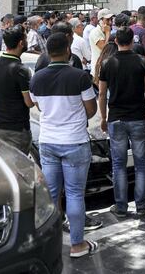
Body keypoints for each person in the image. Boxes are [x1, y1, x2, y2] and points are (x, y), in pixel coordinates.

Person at [30, 32, 99, 259]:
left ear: (48, 52)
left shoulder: (36, 78)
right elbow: (91, 109)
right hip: (74, 141)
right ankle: (77, 245)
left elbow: (39, 107)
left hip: (48, 141)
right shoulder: (80, 77)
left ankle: (49, 244)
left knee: (51, 195)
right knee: (74, 194)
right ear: (69, 50)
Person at [98, 27, 145, 218]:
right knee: (141, 164)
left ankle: (121, 206)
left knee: (119, 165)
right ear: (132, 41)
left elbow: (101, 94)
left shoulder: (108, 64)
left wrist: (104, 117)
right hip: (138, 116)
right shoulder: (142, 62)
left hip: (116, 118)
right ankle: (141, 206)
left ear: (116, 42)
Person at [0, 25, 33, 154]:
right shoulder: (21, 70)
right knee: (19, 170)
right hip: (17, 130)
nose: (27, 41)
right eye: (25, 38)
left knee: (3, 169)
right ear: (20, 43)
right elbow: (29, 102)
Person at [90, 9, 114, 76]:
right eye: (107, 20)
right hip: (98, 71)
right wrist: (108, 32)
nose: (110, 22)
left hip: (106, 68)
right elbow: (105, 49)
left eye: (111, 19)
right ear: (100, 20)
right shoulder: (95, 32)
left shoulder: (105, 32)